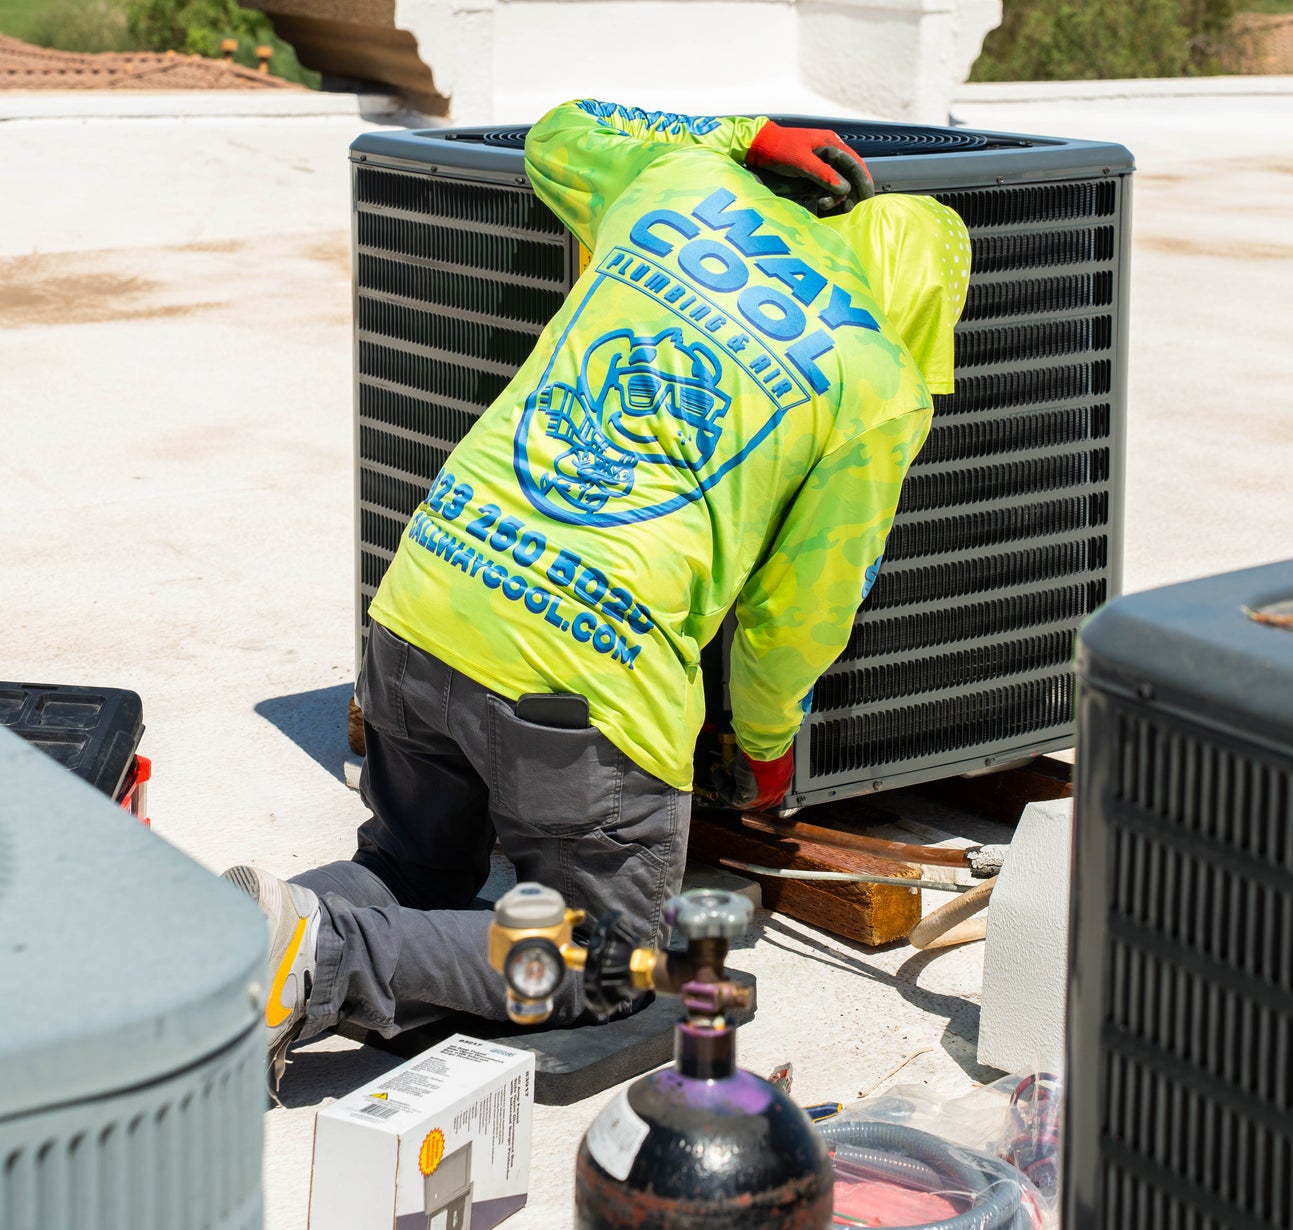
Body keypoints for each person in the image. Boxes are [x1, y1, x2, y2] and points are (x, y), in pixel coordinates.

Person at [225, 101, 971, 1083]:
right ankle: (323, 959)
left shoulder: (680, 193)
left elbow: (557, 132)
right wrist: (763, 746)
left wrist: (737, 136)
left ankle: (212, 951)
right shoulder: (872, 383)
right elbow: (797, 614)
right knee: (603, 965)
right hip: (585, 686)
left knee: (412, 873)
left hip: (425, 601)